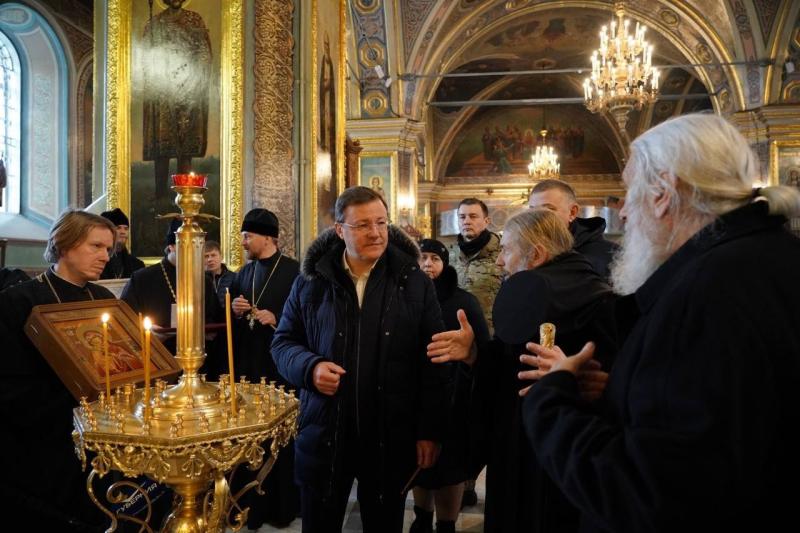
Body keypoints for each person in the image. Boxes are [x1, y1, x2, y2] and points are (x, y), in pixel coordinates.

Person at [520, 113, 800, 533]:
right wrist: (618, 392)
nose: (625, 215)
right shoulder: (776, 257)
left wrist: (551, 399)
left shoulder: (706, 292)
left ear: (663, 192)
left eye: (629, 193)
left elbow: (646, 494)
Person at [271, 186, 472, 533]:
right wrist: (310, 367)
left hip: (390, 431)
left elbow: (433, 362)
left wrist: (429, 431)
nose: (376, 233)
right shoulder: (311, 282)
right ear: (340, 230)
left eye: (381, 222)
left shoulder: (413, 281)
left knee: (384, 523)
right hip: (325, 429)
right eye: (363, 225)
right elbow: (283, 343)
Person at [428, 208, 617, 533]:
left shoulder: (586, 302)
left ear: (537, 254)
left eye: (507, 250)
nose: (500, 261)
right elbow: (509, 363)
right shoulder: (581, 292)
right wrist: (474, 354)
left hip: (558, 446)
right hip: (527, 442)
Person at [0, 209, 117, 531]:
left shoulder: (104, 298)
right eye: (96, 246)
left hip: (106, 434)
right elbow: (10, 385)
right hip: (46, 443)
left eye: (108, 249)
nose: (105, 256)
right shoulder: (19, 302)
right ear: (64, 245)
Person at [410, 239, 490, 533]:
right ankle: (421, 517)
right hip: (415, 395)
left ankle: (446, 524)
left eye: (434, 258)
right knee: (420, 464)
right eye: (422, 258)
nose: (427, 264)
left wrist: (468, 354)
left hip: (454, 397)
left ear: (445, 264)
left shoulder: (463, 301)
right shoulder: (403, 294)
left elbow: (482, 348)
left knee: (449, 466)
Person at [228, 208, 300, 529]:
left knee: (281, 440)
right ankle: (249, 505)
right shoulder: (245, 273)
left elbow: (308, 318)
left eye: (248, 236)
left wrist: (278, 319)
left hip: (281, 369)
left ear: (269, 237)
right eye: (243, 236)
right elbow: (234, 313)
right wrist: (235, 309)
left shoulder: (296, 272)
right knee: (251, 439)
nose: (243, 242)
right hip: (250, 367)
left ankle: (282, 506)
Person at [448, 197, 503, 506]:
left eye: (472, 216)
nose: (466, 221)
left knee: (483, 416)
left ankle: (473, 476)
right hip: (455, 350)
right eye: (462, 217)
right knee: (460, 415)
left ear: (486, 220)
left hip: (489, 348)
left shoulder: (502, 256)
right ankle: (462, 479)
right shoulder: (451, 256)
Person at [142, 0, 212, 198]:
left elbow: (204, 54)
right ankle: (160, 194)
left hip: (188, 88)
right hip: (164, 92)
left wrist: (192, 76)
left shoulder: (194, 20)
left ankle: (185, 194)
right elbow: (146, 60)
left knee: (185, 148)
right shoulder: (155, 24)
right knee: (162, 147)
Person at [121, 218, 220, 354]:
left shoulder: (204, 281)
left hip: (197, 356)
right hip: (156, 355)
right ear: (171, 246)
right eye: (188, 243)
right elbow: (124, 319)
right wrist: (144, 332)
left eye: (198, 244)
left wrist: (208, 330)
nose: (195, 249)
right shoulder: (142, 278)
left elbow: (214, 317)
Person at [528, 179, 619, 278]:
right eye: (533, 210)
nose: (536, 218)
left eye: (548, 209)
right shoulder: (526, 251)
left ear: (572, 212)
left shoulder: (611, 255)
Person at [100, 207, 145, 279]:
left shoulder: (137, 264)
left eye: (126, 228)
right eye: (118, 228)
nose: (123, 232)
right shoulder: (97, 262)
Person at [203, 240, 235, 308]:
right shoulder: (200, 280)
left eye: (213, 255)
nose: (209, 259)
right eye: (206, 256)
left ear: (221, 256)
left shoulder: (234, 278)